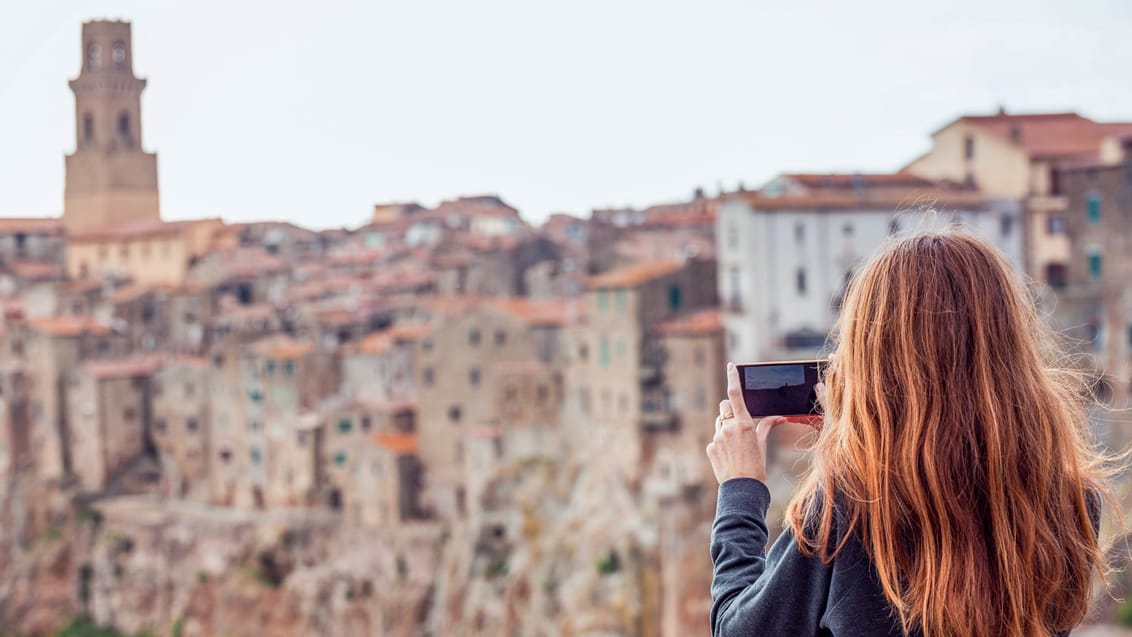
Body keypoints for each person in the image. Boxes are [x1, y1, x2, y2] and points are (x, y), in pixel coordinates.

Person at [706, 228, 1112, 637]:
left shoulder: (847, 510)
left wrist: (741, 490)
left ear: (872, 361)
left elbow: (738, 628)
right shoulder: (1073, 502)